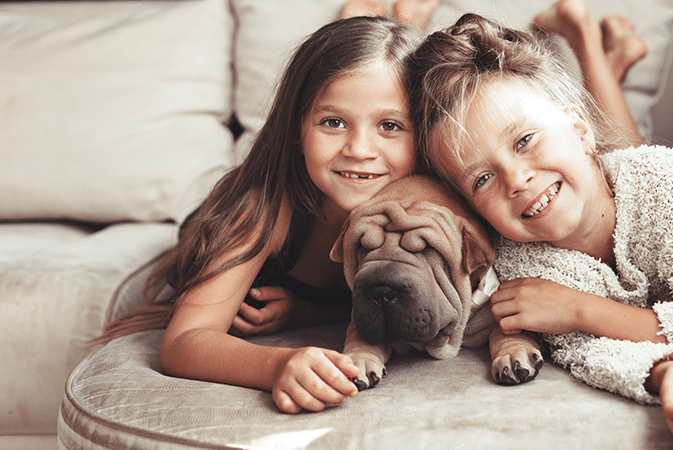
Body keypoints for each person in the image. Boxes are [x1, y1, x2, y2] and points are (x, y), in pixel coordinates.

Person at [406, 9, 673, 450]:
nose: (517, 180)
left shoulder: (667, 181)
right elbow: (590, 350)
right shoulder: (522, 261)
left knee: (632, 147)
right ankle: (615, 61)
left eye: (524, 140)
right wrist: (672, 368)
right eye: (482, 179)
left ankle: (589, 37)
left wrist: (577, 309)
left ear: (580, 129)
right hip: (594, 192)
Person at [96, 11, 428, 414]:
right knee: (217, 220)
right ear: (298, 129)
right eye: (333, 122)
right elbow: (184, 341)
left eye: (390, 126)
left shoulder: (429, 215)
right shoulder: (264, 211)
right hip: (215, 218)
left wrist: (306, 310)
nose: (359, 149)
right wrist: (278, 364)